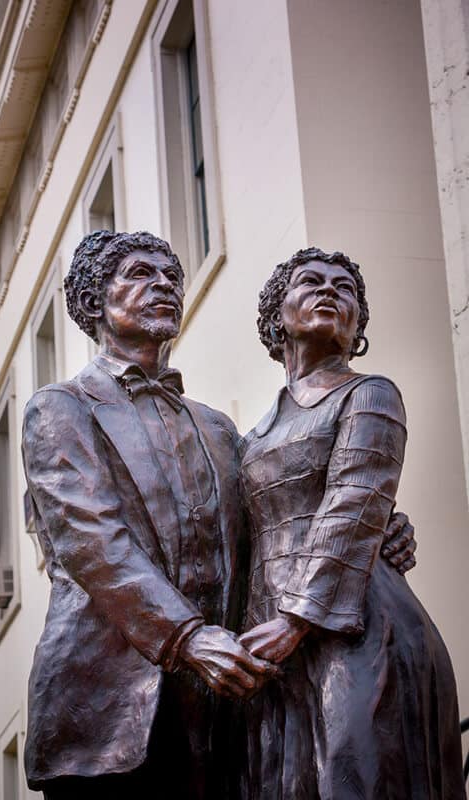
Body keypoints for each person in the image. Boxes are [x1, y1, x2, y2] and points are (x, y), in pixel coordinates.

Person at [22, 231, 417, 799]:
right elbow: (94, 542)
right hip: (106, 713)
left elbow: (271, 519)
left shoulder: (220, 430)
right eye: (140, 273)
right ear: (92, 302)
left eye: (171, 277)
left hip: (216, 721)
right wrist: (187, 638)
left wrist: (380, 529)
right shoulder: (59, 408)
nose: (163, 285)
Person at [238, 247, 466, 799]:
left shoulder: (371, 394)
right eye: (311, 281)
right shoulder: (251, 436)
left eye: (345, 289)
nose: (330, 291)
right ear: (276, 315)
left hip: (359, 634)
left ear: (357, 324)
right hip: (274, 649)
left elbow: (355, 502)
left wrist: (296, 620)